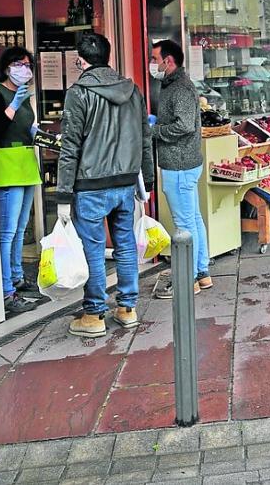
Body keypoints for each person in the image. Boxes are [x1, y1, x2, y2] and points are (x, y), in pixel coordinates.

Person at [56, 32, 154, 338]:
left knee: (94, 251)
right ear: (108, 56)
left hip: (90, 185)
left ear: (80, 60)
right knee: (125, 245)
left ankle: (94, 314)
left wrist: (62, 194)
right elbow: (145, 138)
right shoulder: (133, 90)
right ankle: (127, 308)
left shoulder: (78, 93)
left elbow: (70, 146)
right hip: (126, 183)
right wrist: (147, 180)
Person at [0, 46, 48, 316]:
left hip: (26, 165)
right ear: (6, 67)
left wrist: (39, 133)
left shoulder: (24, 96)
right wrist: (11, 107)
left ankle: (16, 277)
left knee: (21, 228)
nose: (24, 69)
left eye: (27, 65)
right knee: (7, 232)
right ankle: (5, 291)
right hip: (6, 167)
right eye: (18, 64)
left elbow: (26, 127)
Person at [149, 39, 209, 298]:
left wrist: (156, 130)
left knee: (184, 224)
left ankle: (188, 279)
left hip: (180, 164)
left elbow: (184, 125)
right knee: (193, 218)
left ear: (168, 61)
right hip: (184, 162)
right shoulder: (173, 85)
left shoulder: (180, 88)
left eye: (154, 59)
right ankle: (202, 273)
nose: (152, 64)